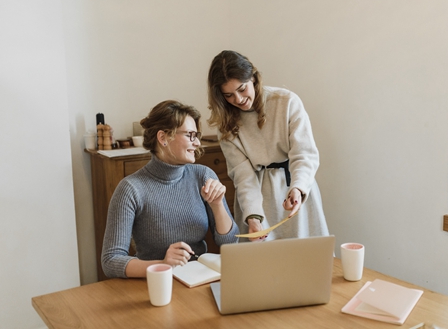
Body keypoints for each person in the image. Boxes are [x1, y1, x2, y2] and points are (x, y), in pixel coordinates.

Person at [102, 100, 239, 278]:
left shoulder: (203, 176)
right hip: (154, 283)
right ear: (163, 138)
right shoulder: (131, 189)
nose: (197, 142)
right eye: (190, 135)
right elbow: (110, 261)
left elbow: (231, 244)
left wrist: (218, 205)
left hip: (199, 280)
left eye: (196, 135)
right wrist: (163, 265)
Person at [207, 50, 329, 242]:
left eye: (241, 89)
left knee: (305, 259)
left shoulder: (286, 102)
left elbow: (304, 154)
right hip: (256, 199)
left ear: (254, 78)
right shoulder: (226, 124)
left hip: (294, 185)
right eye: (228, 95)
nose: (238, 100)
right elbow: (243, 176)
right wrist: (253, 217)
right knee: (260, 265)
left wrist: (297, 188)